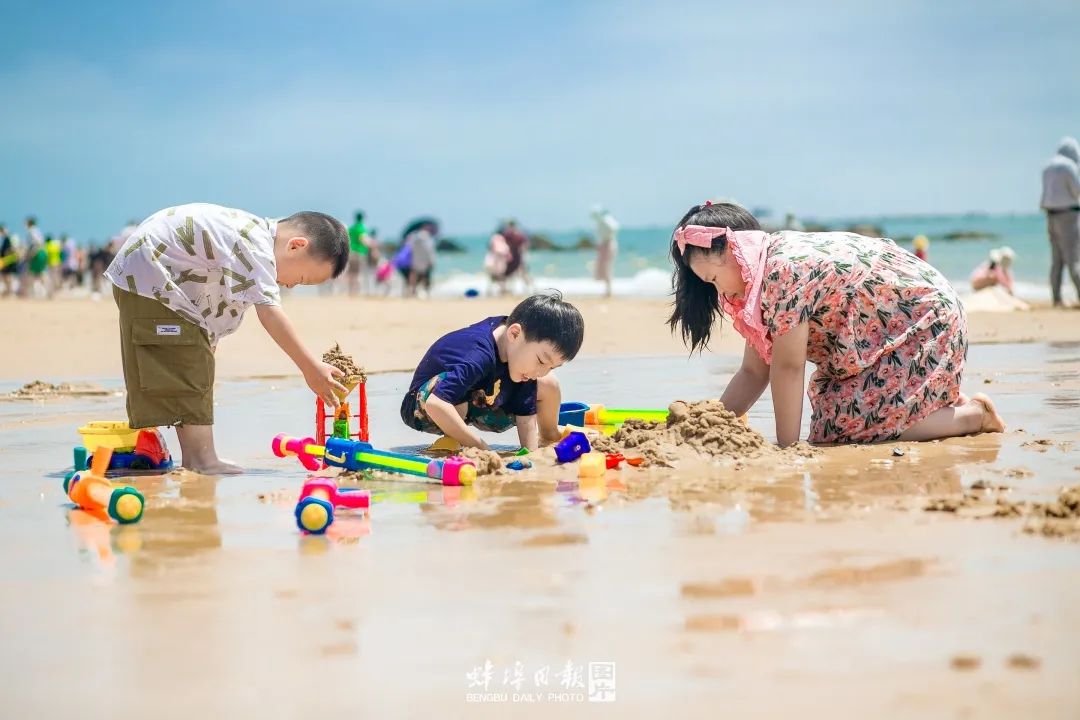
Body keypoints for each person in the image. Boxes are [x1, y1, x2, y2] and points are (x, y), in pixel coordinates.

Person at [667, 201, 1005, 447]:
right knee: (831, 422)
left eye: (713, 279)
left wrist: (788, 449)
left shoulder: (781, 271)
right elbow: (754, 372)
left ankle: (974, 416)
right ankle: (932, 409)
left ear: (736, 251)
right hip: (886, 334)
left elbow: (788, 367)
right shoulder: (762, 279)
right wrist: (711, 425)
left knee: (848, 428)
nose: (721, 292)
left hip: (923, 320)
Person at [105, 203, 350, 474]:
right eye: (301, 279)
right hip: (151, 278)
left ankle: (195, 457)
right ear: (296, 246)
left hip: (153, 279)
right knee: (189, 361)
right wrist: (309, 367)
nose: (291, 285)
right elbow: (270, 314)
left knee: (191, 363)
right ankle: (201, 459)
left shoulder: (251, 237)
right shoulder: (256, 246)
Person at [400, 292, 584, 450]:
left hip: (480, 399)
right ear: (514, 334)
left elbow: (526, 420)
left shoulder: (521, 354)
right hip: (426, 404)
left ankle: (550, 435)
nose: (541, 371)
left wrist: (531, 457)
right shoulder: (478, 355)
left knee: (548, 383)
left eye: (552, 366)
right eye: (541, 361)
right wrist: (482, 449)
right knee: (455, 394)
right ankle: (455, 442)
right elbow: (435, 404)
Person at [1040, 137, 1080, 307]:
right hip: (1068, 216)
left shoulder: (1047, 167)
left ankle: (1056, 298)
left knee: (1056, 261)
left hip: (1051, 216)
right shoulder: (1069, 166)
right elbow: (1076, 191)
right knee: (1074, 259)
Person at [591, 206, 619, 298]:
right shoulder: (601, 222)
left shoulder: (607, 221)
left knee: (607, 268)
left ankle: (609, 292)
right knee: (604, 268)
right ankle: (608, 291)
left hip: (608, 244)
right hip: (604, 244)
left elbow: (613, 229)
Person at [407, 222, 437, 298]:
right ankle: (426, 292)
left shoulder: (413, 236)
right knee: (426, 277)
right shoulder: (427, 237)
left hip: (415, 259)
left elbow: (409, 246)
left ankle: (413, 292)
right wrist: (432, 261)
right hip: (424, 260)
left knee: (414, 275)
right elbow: (430, 250)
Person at [501, 220, 531, 290]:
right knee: (520, 273)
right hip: (516, 256)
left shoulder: (509, 235)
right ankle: (528, 288)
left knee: (508, 273)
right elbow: (526, 245)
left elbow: (504, 245)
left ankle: (506, 288)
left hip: (513, 256)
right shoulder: (518, 234)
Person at [483, 227, 512, 295]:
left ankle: (491, 290)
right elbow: (505, 251)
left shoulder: (495, 238)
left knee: (493, 277)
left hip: (494, 261)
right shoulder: (501, 239)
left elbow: (491, 247)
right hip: (499, 261)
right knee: (500, 276)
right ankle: (502, 289)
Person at [20, 217, 44, 298]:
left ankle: (31, 292)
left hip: (35, 254)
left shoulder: (32, 231)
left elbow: (36, 243)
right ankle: (43, 291)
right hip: (40, 253)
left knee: (31, 273)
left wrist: (30, 254)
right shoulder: (37, 230)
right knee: (40, 273)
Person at [346, 211, 368, 296]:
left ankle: (350, 292)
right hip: (359, 252)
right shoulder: (361, 228)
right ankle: (357, 293)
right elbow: (363, 240)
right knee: (358, 273)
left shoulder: (351, 228)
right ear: (362, 218)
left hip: (351, 252)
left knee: (351, 273)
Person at [0, 224, 19, 297]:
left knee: (9, 277)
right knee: (6, 276)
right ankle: (8, 292)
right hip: (7, 260)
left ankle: (10, 292)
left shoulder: (9, 238)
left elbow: (12, 250)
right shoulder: (6, 239)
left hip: (9, 260)